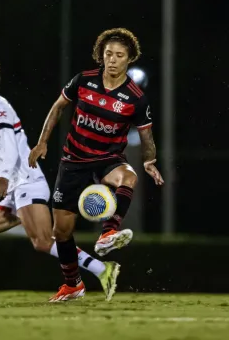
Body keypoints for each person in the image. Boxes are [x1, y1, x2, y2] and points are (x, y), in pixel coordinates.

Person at [0, 59, 120, 302]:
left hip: (27, 183)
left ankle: (102, 269)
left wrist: (2, 177)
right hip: (15, 187)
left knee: (42, 241)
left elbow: (9, 149)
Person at [28, 28, 164, 302]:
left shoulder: (135, 98)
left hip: (107, 159)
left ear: (129, 59)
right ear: (101, 56)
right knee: (61, 231)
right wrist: (42, 143)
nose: (113, 60)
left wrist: (150, 160)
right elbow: (57, 108)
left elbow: (146, 134)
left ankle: (108, 232)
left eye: (119, 55)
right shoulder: (83, 80)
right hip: (73, 161)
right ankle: (73, 285)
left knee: (129, 177)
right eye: (108, 54)